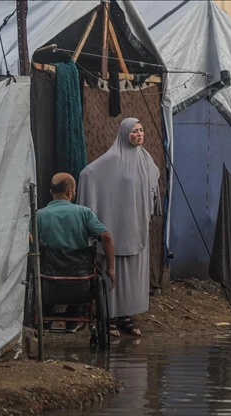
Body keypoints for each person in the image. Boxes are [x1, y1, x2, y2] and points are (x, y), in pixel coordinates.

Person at [77, 118, 160, 337]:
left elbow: (153, 182)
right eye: (134, 131)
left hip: (137, 225)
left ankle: (127, 316)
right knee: (112, 270)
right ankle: (109, 316)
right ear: (124, 134)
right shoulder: (112, 159)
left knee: (132, 273)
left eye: (141, 130)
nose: (139, 134)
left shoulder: (146, 159)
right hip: (115, 224)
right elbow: (88, 174)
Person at [34, 173, 116, 333]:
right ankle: (74, 318)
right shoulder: (85, 213)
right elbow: (106, 237)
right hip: (79, 281)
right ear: (71, 192)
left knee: (41, 272)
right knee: (89, 274)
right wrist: (110, 269)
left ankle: (46, 317)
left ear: (51, 192)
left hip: (48, 280)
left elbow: (27, 238)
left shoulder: (39, 216)